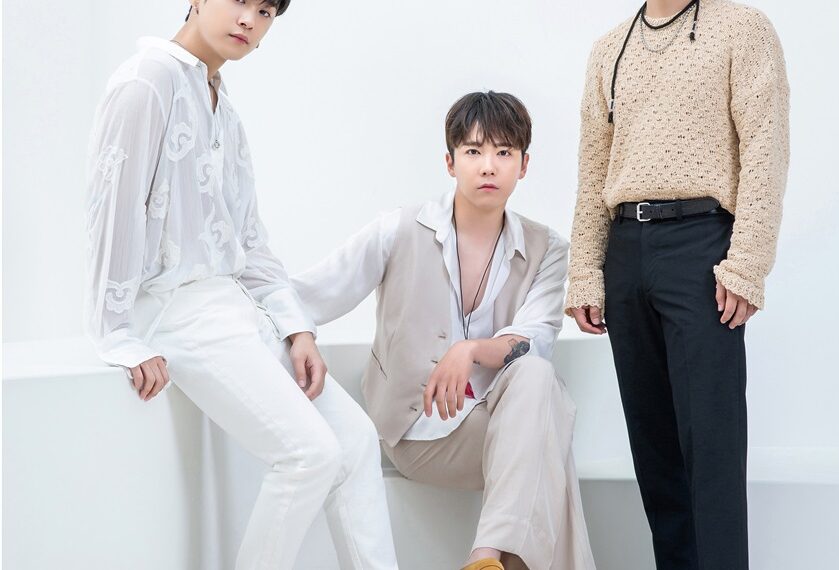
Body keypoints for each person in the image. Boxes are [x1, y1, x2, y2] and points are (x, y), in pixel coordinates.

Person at [84, 1, 399, 568]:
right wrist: (118, 334)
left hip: (235, 308)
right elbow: (113, 213)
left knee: (354, 439)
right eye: (239, 1)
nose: (250, 20)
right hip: (176, 310)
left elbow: (249, 241)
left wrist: (297, 328)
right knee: (308, 455)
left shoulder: (222, 108)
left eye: (266, 10)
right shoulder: (146, 83)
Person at [289, 91, 596, 570]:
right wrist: (301, 334)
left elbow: (534, 341)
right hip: (418, 432)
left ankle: (485, 557)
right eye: (474, 151)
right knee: (548, 440)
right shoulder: (398, 230)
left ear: (524, 165)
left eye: (504, 152)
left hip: (505, 428)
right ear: (450, 162)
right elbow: (307, 293)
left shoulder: (547, 249)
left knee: (537, 378)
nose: (488, 166)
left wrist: (469, 349)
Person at [566, 1, 789, 569]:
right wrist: (585, 271)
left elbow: (766, 148)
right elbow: (593, 169)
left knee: (712, 446)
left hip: (701, 245)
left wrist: (747, 263)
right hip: (625, 249)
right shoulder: (609, 48)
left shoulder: (742, 28)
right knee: (655, 451)